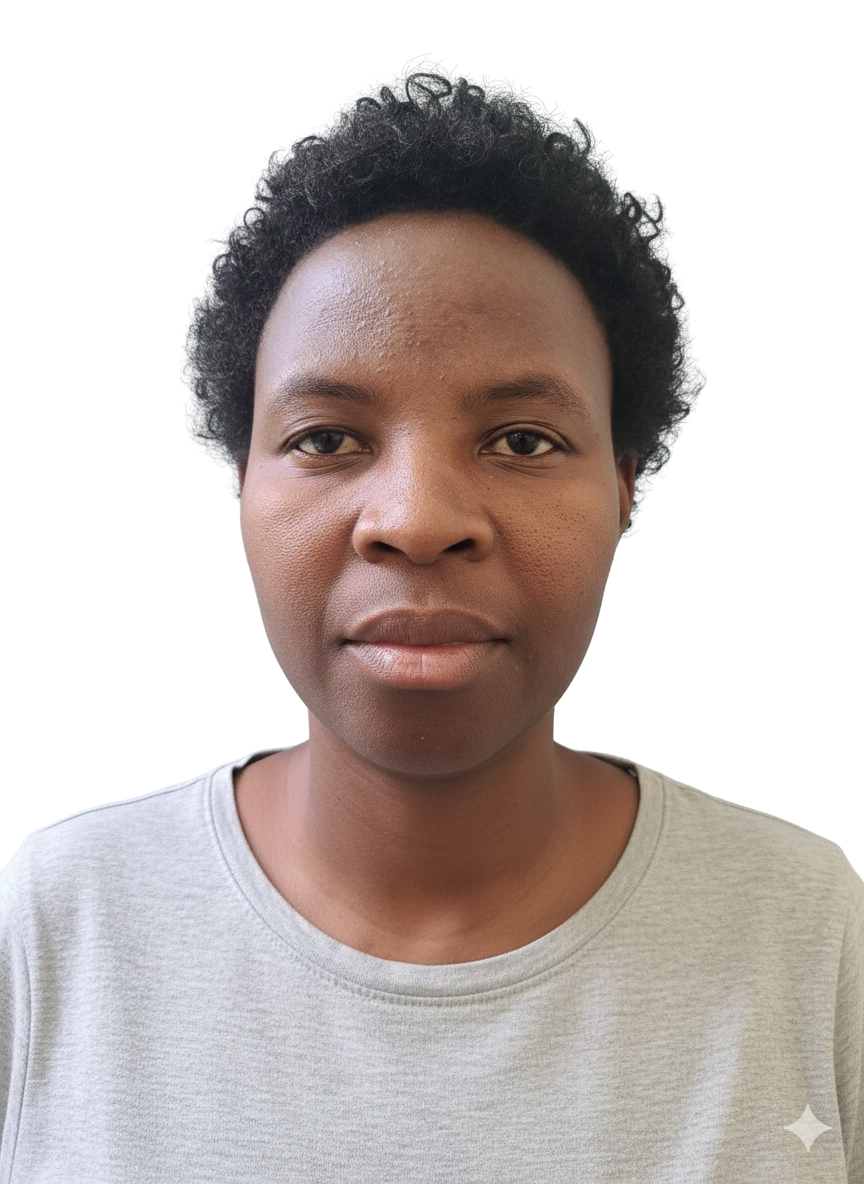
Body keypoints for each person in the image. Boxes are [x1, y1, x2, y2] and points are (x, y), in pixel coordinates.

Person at [2, 59, 861, 1184]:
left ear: (624, 489)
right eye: (325, 438)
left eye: (522, 440)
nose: (415, 520)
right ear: (239, 483)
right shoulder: (52, 920)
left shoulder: (817, 929)